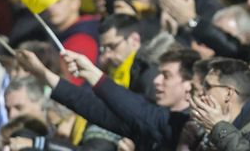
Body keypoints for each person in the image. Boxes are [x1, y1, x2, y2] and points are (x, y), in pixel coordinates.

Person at [16, 48, 200, 150]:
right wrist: (44, 74)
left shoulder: (192, 128)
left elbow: (133, 106)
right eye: (158, 74)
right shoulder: (149, 120)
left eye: (166, 75)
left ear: (189, 85)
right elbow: (93, 108)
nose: (156, 81)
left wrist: (92, 73)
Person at [189, 58, 250, 150]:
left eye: (207, 86)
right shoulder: (210, 125)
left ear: (228, 93)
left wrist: (220, 130)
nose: (201, 91)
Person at [45, 0, 99, 85]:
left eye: (58, 1)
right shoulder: (63, 35)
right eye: (47, 2)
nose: (51, 7)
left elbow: (73, 84)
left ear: (75, 3)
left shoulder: (81, 39)